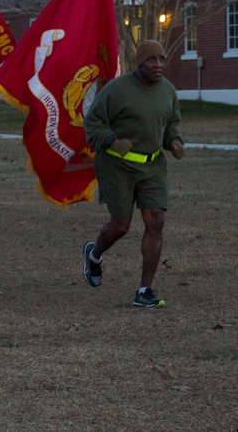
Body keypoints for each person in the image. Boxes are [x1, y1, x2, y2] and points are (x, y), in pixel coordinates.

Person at [83, 40, 183, 308]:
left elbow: (171, 122)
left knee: (156, 221)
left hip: (152, 166)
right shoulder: (118, 90)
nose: (159, 65)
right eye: (152, 60)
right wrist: (111, 141)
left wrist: (174, 140)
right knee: (120, 226)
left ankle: (144, 291)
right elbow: (92, 123)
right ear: (140, 63)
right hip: (117, 165)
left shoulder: (168, 91)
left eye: (162, 60)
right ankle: (94, 254)